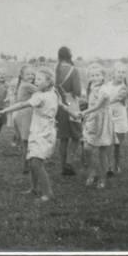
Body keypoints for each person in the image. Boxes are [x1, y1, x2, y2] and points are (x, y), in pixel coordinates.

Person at [0, 67, 59, 202]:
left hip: (43, 133)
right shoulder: (52, 94)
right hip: (40, 131)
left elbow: (23, 104)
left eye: (39, 79)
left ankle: (48, 194)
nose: (35, 81)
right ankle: (34, 189)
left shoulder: (40, 96)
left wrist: (4, 110)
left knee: (36, 164)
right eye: (35, 79)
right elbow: (62, 105)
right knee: (32, 161)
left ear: (48, 82)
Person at [61, 63, 113, 189]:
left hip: (102, 121)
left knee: (102, 151)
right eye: (92, 75)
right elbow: (91, 103)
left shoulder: (105, 89)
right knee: (87, 148)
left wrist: (84, 112)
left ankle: (102, 178)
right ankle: (92, 173)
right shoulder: (92, 87)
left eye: (97, 75)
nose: (95, 78)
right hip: (91, 120)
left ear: (103, 76)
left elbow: (98, 105)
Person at [54, 46, 82, 176]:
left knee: (63, 138)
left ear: (59, 56)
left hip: (59, 105)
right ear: (70, 56)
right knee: (76, 135)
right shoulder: (73, 70)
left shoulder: (56, 70)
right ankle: (69, 161)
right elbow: (77, 91)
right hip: (71, 104)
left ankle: (63, 167)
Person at [106, 62, 128, 176]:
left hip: (120, 118)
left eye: (123, 72)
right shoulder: (108, 85)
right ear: (113, 74)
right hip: (109, 116)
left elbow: (113, 99)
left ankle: (116, 165)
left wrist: (101, 103)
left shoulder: (124, 88)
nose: (121, 74)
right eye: (118, 72)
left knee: (117, 143)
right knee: (109, 142)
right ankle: (109, 166)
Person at [13, 65, 37, 175]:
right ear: (22, 76)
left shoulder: (22, 85)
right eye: (28, 74)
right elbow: (43, 93)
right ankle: (26, 167)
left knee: (25, 142)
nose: (31, 76)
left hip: (21, 113)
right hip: (26, 114)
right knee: (27, 142)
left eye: (32, 74)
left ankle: (26, 165)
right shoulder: (27, 85)